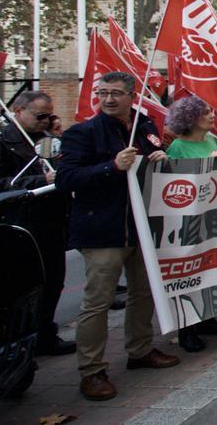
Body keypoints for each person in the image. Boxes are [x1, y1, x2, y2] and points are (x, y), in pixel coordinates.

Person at [55, 72, 178, 401]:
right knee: (97, 303)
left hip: (140, 228)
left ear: (131, 96)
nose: (108, 99)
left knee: (143, 293)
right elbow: (66, 179)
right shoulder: (82, 133)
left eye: (116, 94)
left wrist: (159, 161)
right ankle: (92, 370)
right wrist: (111, 166)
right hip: (102, 231)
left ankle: (140, 350)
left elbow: (153, 167)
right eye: (103, 93)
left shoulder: (145, 127)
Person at [0, 91, 75, 356]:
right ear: (19, 110)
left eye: (50, 115)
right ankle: (9, 343)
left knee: (53, 281)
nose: (45, 121)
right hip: (17, 228)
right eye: (40, 115)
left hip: (52, 223)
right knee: (17, 288)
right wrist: (40, 182)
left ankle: (44, 333)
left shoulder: (51, 142)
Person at [162, 96, 217, 353]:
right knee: (189, 272)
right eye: (206, 113)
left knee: (209, 268)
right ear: (192, 119)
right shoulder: (178, 148)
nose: (212, 116)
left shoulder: (213, 141)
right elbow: (175, 180)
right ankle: (187, 329)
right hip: (189, 219)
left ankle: (207, 318)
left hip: (212, 214)